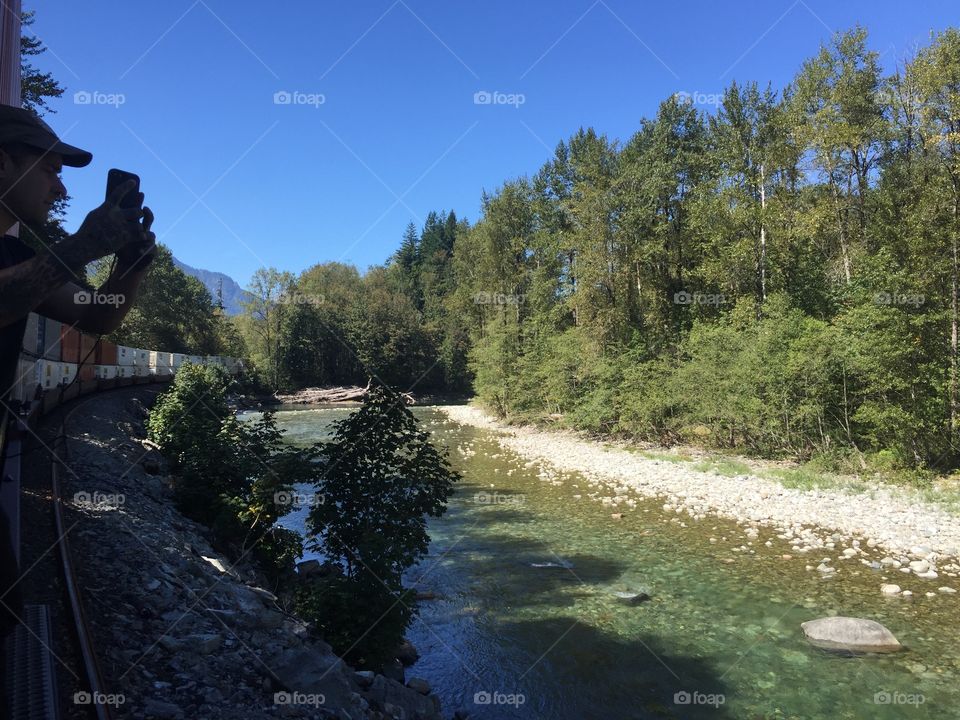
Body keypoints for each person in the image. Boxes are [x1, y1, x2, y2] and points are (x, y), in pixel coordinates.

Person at [0, 104, 156, 642]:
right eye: (49, 170)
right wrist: (86, 243)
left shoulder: (14, 252)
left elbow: (95, 315)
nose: (60, 190)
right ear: (2, 163)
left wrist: (128, 267)